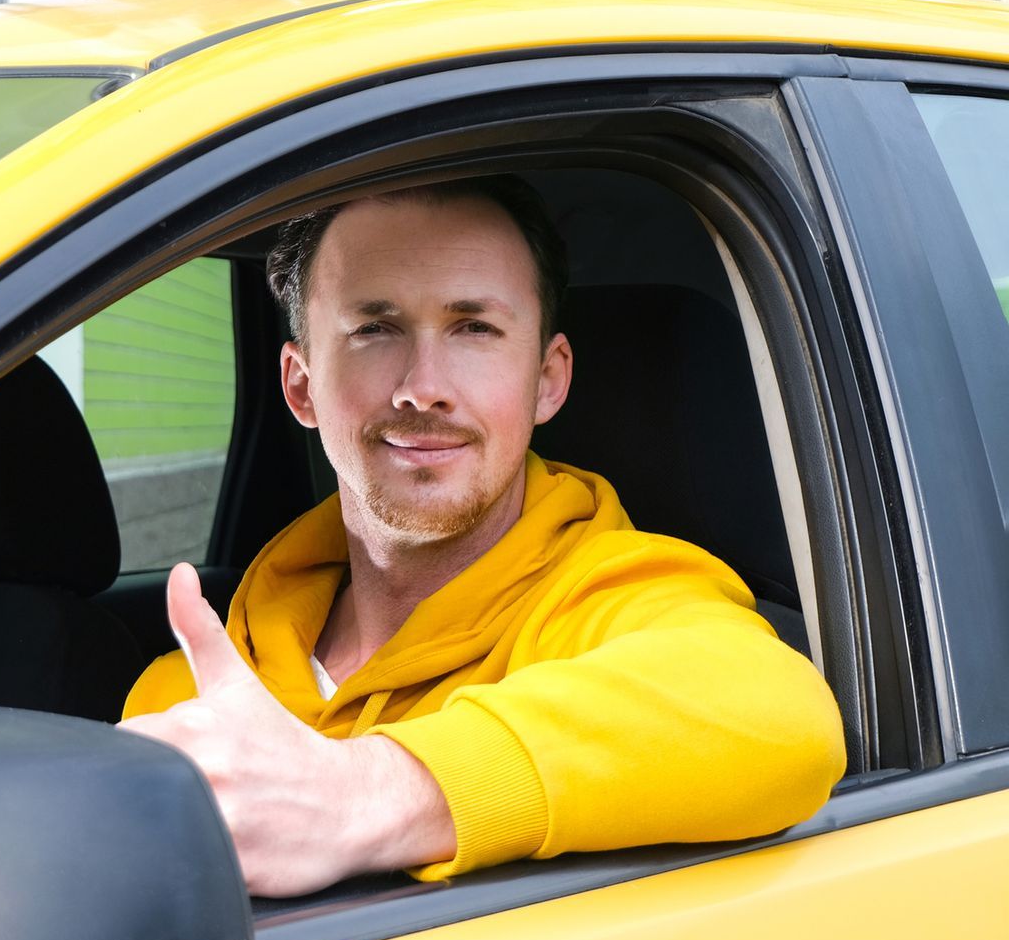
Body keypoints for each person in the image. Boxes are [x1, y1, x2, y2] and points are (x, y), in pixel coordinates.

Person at [118, 176, 845, 897]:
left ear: (548, 380)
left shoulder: (607, 601)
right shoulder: (194, 692)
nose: (423, 385)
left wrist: (365, 794)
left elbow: (783, 715)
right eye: (374, 328)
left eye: (475, 328)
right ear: (301, 386)